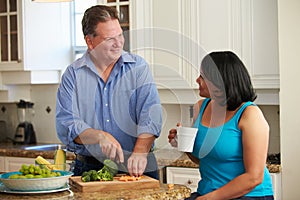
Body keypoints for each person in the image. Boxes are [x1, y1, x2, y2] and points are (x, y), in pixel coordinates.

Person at [56, 5, 162, 179]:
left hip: (136, 164)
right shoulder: (73, 74)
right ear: (90, 42)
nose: (118, 43)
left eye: (120, 35)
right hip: (89, 168)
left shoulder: (138, 67)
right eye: (109, 38)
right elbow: (66, 124)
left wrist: (140, 152)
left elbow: (150, 115)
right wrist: (99, 136)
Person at [168, 51, 274, 199]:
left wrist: (209, 198)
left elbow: (254, 177)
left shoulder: (249, 114)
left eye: (203, 77)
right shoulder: (201, 107)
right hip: (208, 193)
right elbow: (205, 159)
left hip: (248, 196)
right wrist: (183, 144)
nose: (197, 80)